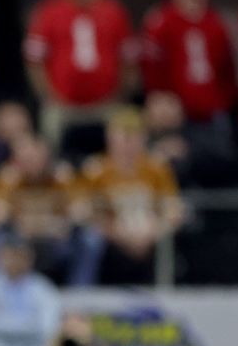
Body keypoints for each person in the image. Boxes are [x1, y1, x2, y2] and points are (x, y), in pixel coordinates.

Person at [24, 0, 135, 162]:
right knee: (49, 135)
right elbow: (34, 60)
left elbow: (128, 58)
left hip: (106, 103)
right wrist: (49, 96)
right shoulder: (49, 11)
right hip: (63, 104)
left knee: (124, 132)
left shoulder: (113, 10)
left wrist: (120, 94)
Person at [141, 0, 237, 162]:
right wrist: (162, 99)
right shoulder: (161, 21)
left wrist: (222, 101)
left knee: (217, 165)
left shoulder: (216, 23)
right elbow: (151, 68)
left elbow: (227, 69)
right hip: (175, 117)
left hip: (212, 114)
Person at [77, 107, 185, 284]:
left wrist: (155, 231)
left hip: (150, 233)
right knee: (90, 238)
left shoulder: (157, 168)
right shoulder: (96, 170)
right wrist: (116, 233)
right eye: (122, 139)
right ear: (110, 140)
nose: (128, 146)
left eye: (133, 139)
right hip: (113, 236)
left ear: (143, 139)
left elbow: (173, 207)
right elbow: (85, 210)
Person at [0, 133, 99, 285]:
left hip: (56, 243)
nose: (32, 164)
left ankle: (79, 295)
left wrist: (63, 223)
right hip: (21, 242)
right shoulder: (10, 178)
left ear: (46, 157)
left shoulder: (61, 176)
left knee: (91, 238)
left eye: (36, 158)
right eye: (26, 159)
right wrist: (18, 223)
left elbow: (83, 210)